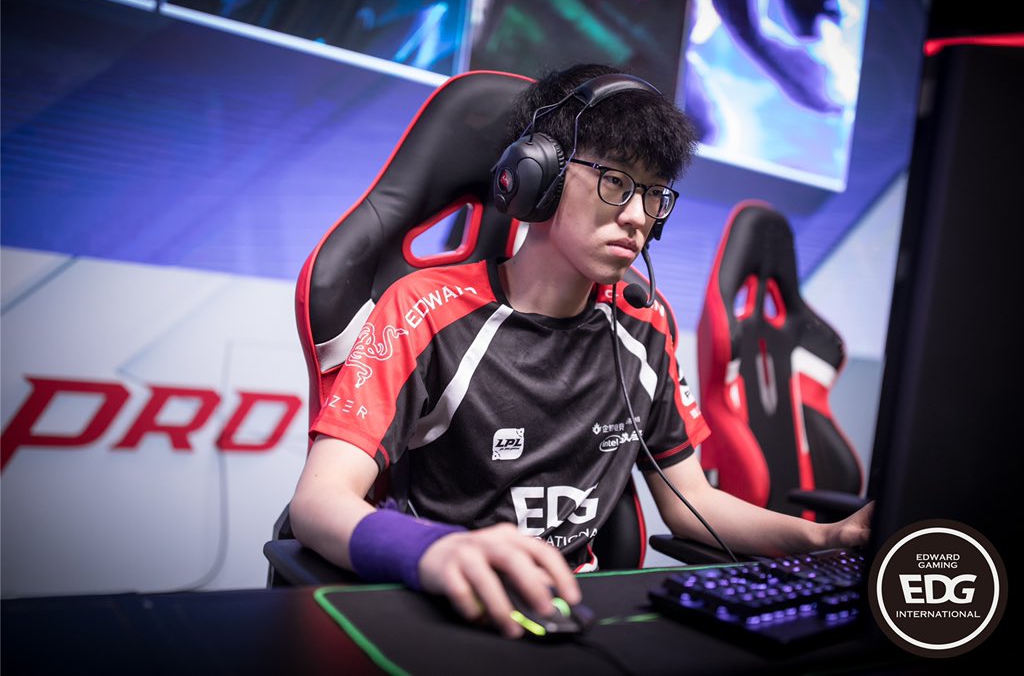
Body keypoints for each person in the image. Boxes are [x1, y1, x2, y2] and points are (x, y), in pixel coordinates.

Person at [289, 63, 872, 639]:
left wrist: (825, 537)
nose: (638, 217)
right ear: (538, 176)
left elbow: (692, 500)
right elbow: (318, 502)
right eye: (615, 181)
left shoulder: (645, 323)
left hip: (574, 612)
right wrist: (434, 551)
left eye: (654, 193)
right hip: (446, 605)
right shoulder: (426, 309)